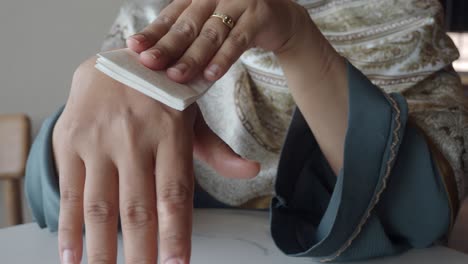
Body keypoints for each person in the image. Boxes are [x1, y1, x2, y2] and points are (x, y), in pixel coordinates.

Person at [25, 0, 468, 263]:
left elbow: (414, 219)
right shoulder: (152, 14)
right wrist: (105, 84)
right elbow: (63, 203)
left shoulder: (401, 18)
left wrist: (297, 39)